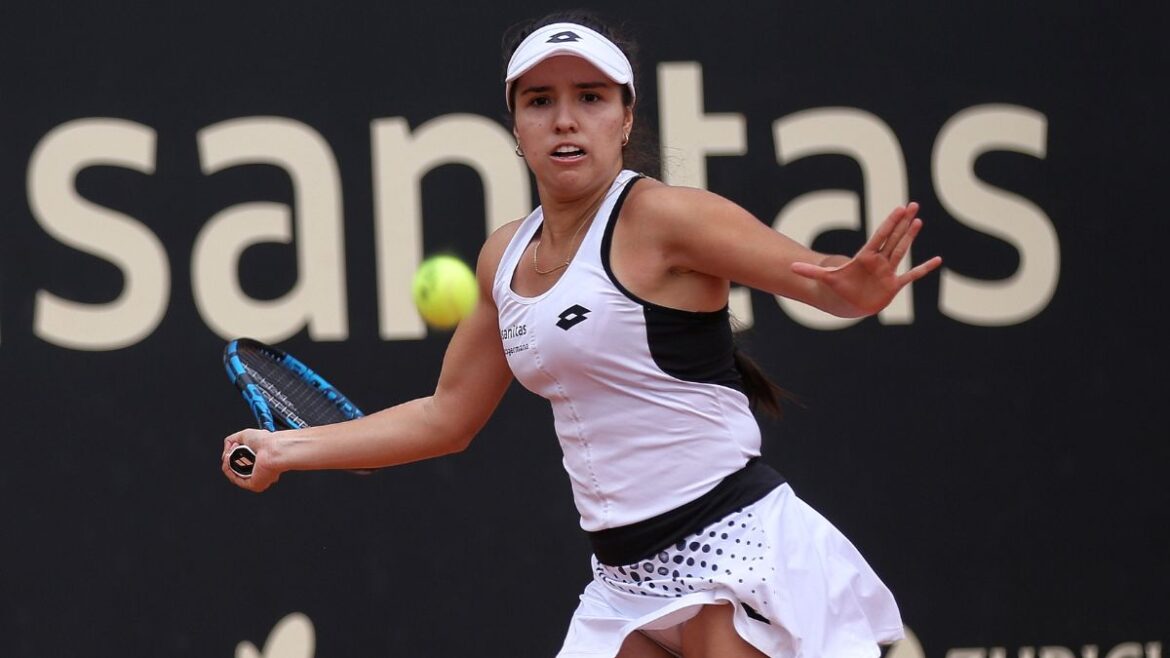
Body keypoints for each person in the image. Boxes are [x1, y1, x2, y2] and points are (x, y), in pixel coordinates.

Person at [221, 11, 942, 658]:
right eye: (540, 101)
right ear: (515, 127)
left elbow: (821, 280)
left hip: (733, 553)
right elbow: (445, 417)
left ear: (625, 119)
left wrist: (854, 287)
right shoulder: (504, 257)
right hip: (624, 585)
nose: (565, 120)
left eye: (590, 98)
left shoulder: (666, 218)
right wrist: (284, 450)